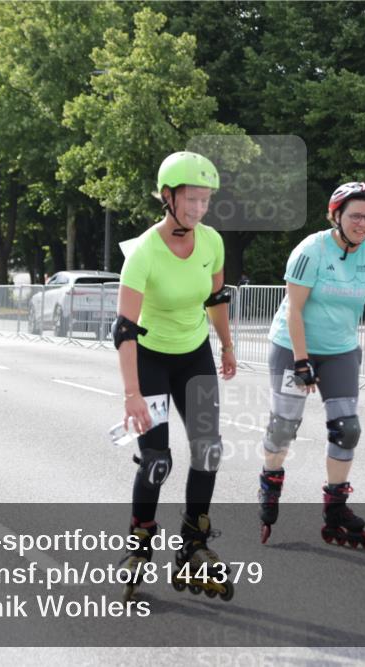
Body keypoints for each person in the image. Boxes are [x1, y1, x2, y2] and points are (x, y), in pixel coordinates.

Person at [257, 182, 365, 548]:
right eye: (355, 216)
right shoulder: (311, 250)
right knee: (283, 428)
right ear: (336, 216)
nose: (363, 223)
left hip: (341, 349)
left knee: (347, 429)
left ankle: (335, 506)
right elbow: (294, 309)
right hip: (291, 345)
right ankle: (270, 480)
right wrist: (301, 361)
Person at [111, 151, 237, 601]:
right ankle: (140, 540)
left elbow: (216, 298)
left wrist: (226, 343)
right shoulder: (144, 252)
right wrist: (132, 394)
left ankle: (193, 544)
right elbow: (124, 330)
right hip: (151, 361)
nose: (199, 209)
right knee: (157, 460)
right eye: (191, 199)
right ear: (168, 197)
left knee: (208, 450)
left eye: (205, 201)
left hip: (194, 355)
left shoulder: (212, 242)